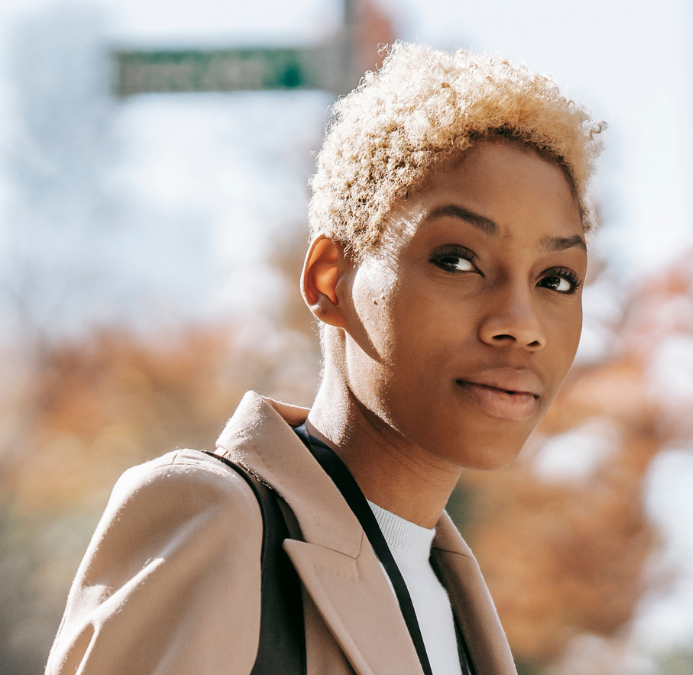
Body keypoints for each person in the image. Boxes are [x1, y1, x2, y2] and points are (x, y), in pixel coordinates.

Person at [46, 43, 604, 675]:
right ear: (328, 280)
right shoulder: (218, 519)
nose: (520, 325)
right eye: (457, 260)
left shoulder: (452, 603)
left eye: (557, 279)